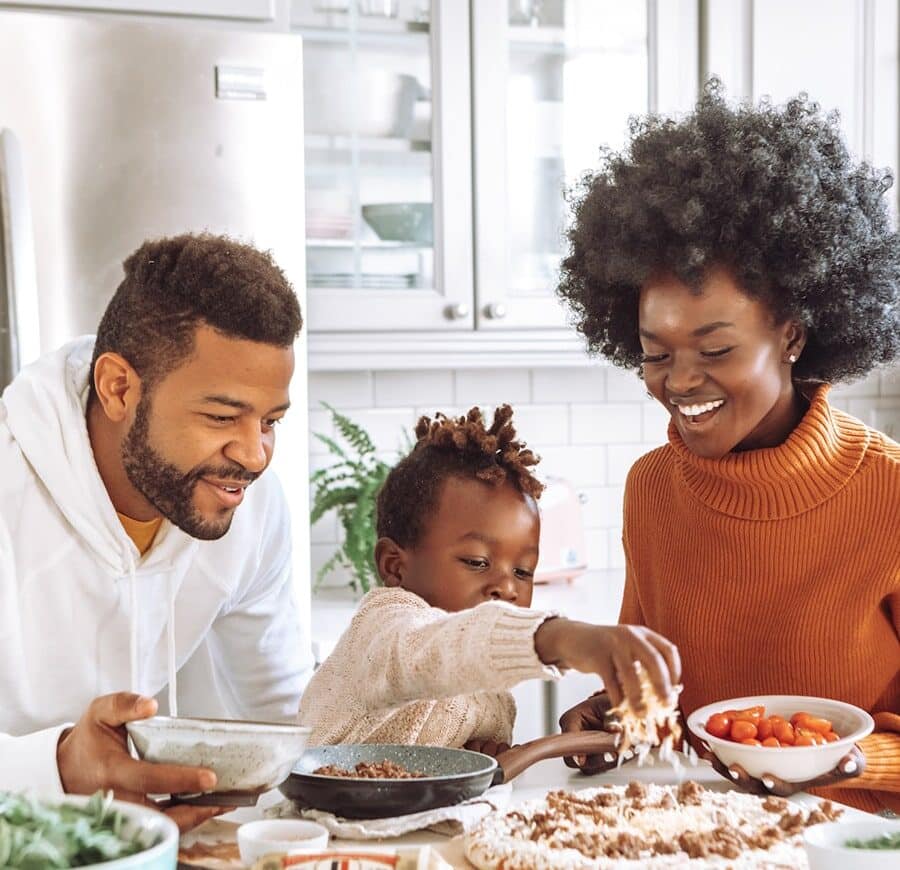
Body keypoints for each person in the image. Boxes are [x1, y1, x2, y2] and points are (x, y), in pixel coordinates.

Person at [555, 80, 900, 814]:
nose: (680, 383)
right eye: (655, 353)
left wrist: (839, 760)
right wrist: (609, 715)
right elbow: (659, 701)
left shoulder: (890, 495)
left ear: (794, 334)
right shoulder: (653, 487)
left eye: (714, 349)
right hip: (692, 839)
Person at [0, 233, 314, 829]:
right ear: (119, 388)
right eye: (221, 416)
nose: (254, 455)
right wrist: (57, 765)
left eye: (270, 420)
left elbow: (285, 713)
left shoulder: (247, 505)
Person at [299, 405, 680, 754]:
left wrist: (480, 756)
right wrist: (560, 637)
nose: (508, 588)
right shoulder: (384, 628)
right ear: (395, 566)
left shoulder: (492, 689)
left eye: (523, 571)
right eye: (477, 561)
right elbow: (432, 653)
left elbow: (446, 762)